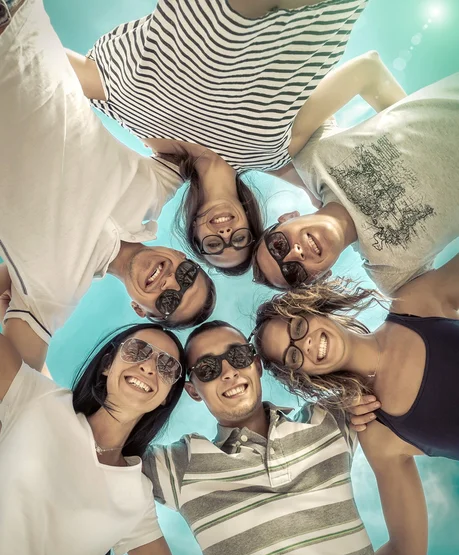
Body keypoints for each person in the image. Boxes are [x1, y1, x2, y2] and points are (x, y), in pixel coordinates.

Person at [66, 0, 371, 273]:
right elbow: (364, 73)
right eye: (240, 240)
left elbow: (53, 65)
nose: (226, 236)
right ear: (251, 223)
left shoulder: (146, 128)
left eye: (213, 246)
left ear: (194, 231)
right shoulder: (272, 153)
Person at [0, 0, 216, 374]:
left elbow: (21, 386)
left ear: (140, 310)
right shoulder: (156, 190)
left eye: (168, 302)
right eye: (186, 276)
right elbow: (204, 151)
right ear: (186, 257)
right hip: (18, 21)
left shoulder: (56, 295)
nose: (169, 282)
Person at [143, 319, 428, 555]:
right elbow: (104, 458)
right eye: (207, 369)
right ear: (193, 390)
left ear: (256, 365)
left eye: (238, 356)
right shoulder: (179, 467)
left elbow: (387, 363)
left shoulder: (329, 419)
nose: (228, 372)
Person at [0, 320, 220, 555]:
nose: (149, 367)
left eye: (167, 367)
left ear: (167, 397)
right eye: (138, 350)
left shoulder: (136, 498)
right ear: (107, 364)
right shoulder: (36, 399)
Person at [253, 73, 459, 294]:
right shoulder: (392, 277)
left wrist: (409, 116)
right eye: (293, 272)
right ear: (320, 278)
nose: (295, 254)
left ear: (287, 218)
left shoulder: (311, 156)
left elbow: (368, 71)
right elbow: (445, 301)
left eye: (278, 246)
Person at [253, 250, 459, 460]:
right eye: (294, 357)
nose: (304, 344)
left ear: (313, 309)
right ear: (304, 374)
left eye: (297, 328)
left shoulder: (413, 303)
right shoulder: (376, 431)